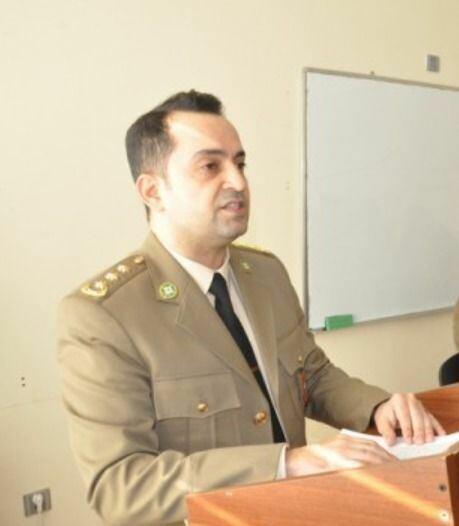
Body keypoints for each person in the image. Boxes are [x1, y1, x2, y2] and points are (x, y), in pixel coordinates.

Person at [57, 90, 445, 526]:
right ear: (153, 191)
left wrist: (375, 407)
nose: (238, 182)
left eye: (239, 164)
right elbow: (121, 488)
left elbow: (311, 375)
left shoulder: (266, 274)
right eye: (211, 166)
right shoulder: (105, 316)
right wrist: (285, 464)